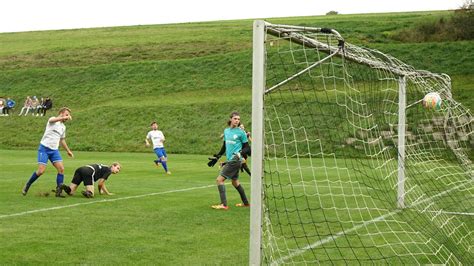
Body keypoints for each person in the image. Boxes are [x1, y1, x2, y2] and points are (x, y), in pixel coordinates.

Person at [21, 107, 74, 197]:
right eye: (66, 114)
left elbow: (62, 140)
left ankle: (59, 191)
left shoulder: (63, 127)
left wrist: (68, 151)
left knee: (61, 169)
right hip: (44, 149)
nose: (68, 117)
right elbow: (53, 119)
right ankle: (28, 184)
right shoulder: (52, 120)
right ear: (61, 113)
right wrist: (64, 118)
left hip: (54, 151)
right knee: (41, 171)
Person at [208, 111, 250, 210]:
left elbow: (247, 148)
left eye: (239, 119)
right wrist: (217, 157)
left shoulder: (241, 132)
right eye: (235, 118)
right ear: (230, 119)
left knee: (219, 180)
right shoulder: (226, 131)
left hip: (235, 160)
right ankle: (246, 203)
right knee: (235, 182)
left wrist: (240, 152)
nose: (237, 121)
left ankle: (224, 204)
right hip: (232, 160)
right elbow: (224, 146)